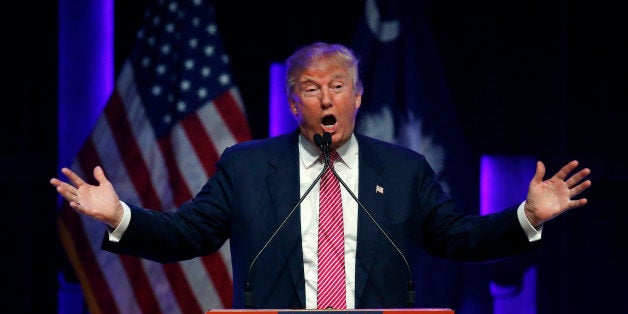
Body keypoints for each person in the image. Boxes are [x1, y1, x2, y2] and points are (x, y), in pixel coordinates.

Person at [50, 42, 591, 309]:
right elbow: (186, 235)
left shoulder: (403, 170)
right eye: (311, 88)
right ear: (293, 103)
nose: (326, 98)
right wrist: (119, 215)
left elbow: (456, 238)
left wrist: (525, 217)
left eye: (338, 86)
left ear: (357, 97)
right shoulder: (244, 165)